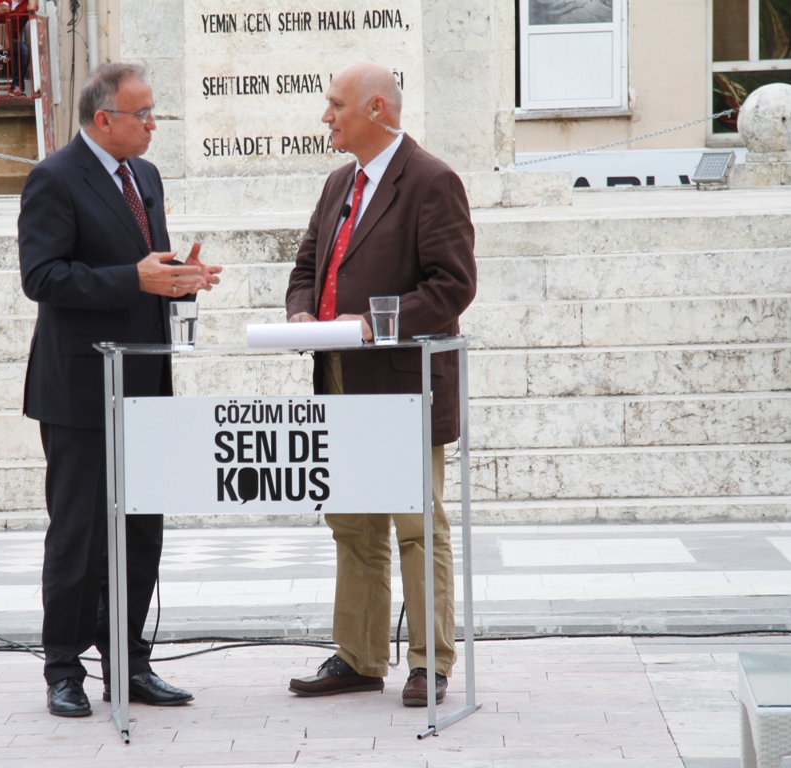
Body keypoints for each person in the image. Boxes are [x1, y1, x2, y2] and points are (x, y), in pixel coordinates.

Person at [18, 62, 221, 718]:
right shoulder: (54, 178)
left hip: (145, 383)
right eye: (143, 113)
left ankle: (129, 662)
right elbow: (42, 277)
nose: (154, 123)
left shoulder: (146, 177)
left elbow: (146, 269)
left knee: (140, 533)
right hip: (80, 387)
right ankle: (64, 668)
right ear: (104, 119)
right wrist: (133, 279)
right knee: (79, 534)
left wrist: (180, 279)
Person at [284, 62, 477, 707]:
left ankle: (429, 663)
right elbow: (306, 267)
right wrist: (302, 314)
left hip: (402, 384)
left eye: (335, 105)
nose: (326, 116)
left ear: (375, 110)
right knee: (353, 524)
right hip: (339, 379)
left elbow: (452, 285)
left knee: (416, 526)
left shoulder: (430, 180)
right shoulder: (340, 182)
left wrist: (372, 324)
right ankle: (360, 656)